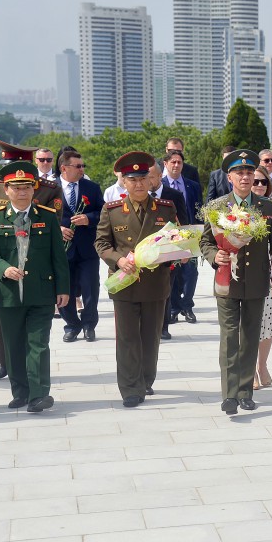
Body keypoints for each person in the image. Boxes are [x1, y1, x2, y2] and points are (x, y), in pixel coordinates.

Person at [200, 150, 272, 415]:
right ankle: (229, 394)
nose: (246, 177)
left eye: (249, 172)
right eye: (240, 173)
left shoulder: (269, 207)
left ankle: (245, 391)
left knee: (250, 337)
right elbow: (204, 242)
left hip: (256, 282)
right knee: (229, 338)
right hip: (227, 281)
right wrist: (217, 255)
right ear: (230, 177)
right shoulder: (216, 207)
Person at [95, 152, 178, 408]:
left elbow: (175, 240)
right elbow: (101, 243)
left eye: (143, 178)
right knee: (128, 338)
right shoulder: (112, 210)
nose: (139, 184)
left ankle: (145, 379)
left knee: (151, 337)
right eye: (132, 180)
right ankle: (131, 387)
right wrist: (119, 260)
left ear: (151, 180)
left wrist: (167, 255)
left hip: (155, 282)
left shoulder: (165, 208)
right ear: (124, 182)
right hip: (125, 282)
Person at [0, 160, 70, 412]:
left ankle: (39, 394)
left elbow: (58, 255)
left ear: (33, 189)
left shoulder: (47, 216)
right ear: (6, 190)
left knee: (38, 343)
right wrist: (3, 268)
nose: (22, 192)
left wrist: (64, 289)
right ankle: (20, 392)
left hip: (41, 291)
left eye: (26, 187)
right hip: (8, 293)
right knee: (13, 345)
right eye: (16, 187)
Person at [57, 149, 104, 342]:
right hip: (62, 250)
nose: (82, 169)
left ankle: (88, 325)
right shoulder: (50, 188)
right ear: (64, 168)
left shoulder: (92, 188)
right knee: (64, 288)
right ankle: (71, 325)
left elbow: (103, 213)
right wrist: (58, 228)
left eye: (83, 165)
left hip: (87, 249)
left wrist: (89, 218)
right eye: (78, 166)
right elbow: (40, 215)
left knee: (90, 288)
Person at [146, 162, 190, 341]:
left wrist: (185, 249)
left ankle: (163, 326)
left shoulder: (174, 195)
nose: (146, 181)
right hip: (145, 251)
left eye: (150, 177)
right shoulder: (139, 195)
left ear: (159, 176)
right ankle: (148, 325)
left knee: (165, 289)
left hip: (167, 251)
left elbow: (183, 222)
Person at [250, 165, 272, 389]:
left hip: (269, 271)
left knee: (268, 322)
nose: (259, 185)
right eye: (255, 181)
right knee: (248, 322)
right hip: (243, 272)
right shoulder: (234, 206)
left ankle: (262, 365)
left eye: (264, 182)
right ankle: (250, 369)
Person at [162, 149, 203, 327]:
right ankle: (174, 308)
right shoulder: (160, 185)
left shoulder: (192, 185)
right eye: (173, 162)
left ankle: (188, 306)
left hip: (190, 234)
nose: (177, 165)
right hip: (168, 237)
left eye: (179, 162)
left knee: (191, 272)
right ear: (166, 164)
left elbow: (198, 210)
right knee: (173, 273)